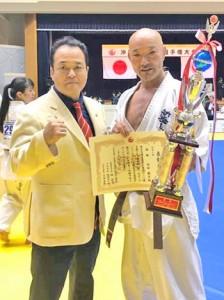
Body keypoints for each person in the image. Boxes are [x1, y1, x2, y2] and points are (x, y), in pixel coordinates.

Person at [110, 28, 209, 300]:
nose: (145, 61)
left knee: (177, 275)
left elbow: (198, 150)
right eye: (137, 55)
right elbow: (116, 152)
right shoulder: (125, 97)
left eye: (152, 52)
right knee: (137, 274)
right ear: (129, 58)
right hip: (133, 202)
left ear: (164, 52)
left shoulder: (184, 96)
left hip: (168, 203)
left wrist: (169, 153)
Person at [9, 36, 107, 300]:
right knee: (45, 292)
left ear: (88, 70)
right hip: (55, 222)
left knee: (83, 288)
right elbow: (16, 165)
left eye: (78, 66)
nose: (71, 73)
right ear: (51, 72)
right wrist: (44, 141)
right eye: (63, 67)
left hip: (92, 220)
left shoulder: (96, 110)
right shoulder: (33, 112)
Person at [0, 77, 35, 243]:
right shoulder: (28, 111)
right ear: (20, 94)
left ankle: (3, 225)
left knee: (11, 196)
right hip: (24, 159)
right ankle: (30, 234)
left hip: (7, 162)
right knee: (30, 199)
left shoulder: (4, 110)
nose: (33, 94)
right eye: (30, 91)